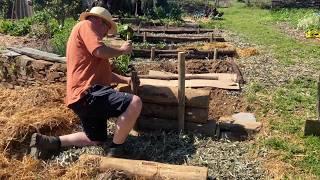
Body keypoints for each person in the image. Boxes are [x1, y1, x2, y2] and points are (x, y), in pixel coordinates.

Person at [29, 6, 142, 159]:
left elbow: (104, 74)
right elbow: (100, 51)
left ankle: (50, 142)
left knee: (95, 138)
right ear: (98, 20)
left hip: (81, 97)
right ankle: (116, 150)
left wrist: (125, 79)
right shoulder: (86, 25)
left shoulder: (86, 39)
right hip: (89, 92)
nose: (104, 34)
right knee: (134, 103)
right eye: (106, 28)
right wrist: (122, 50)